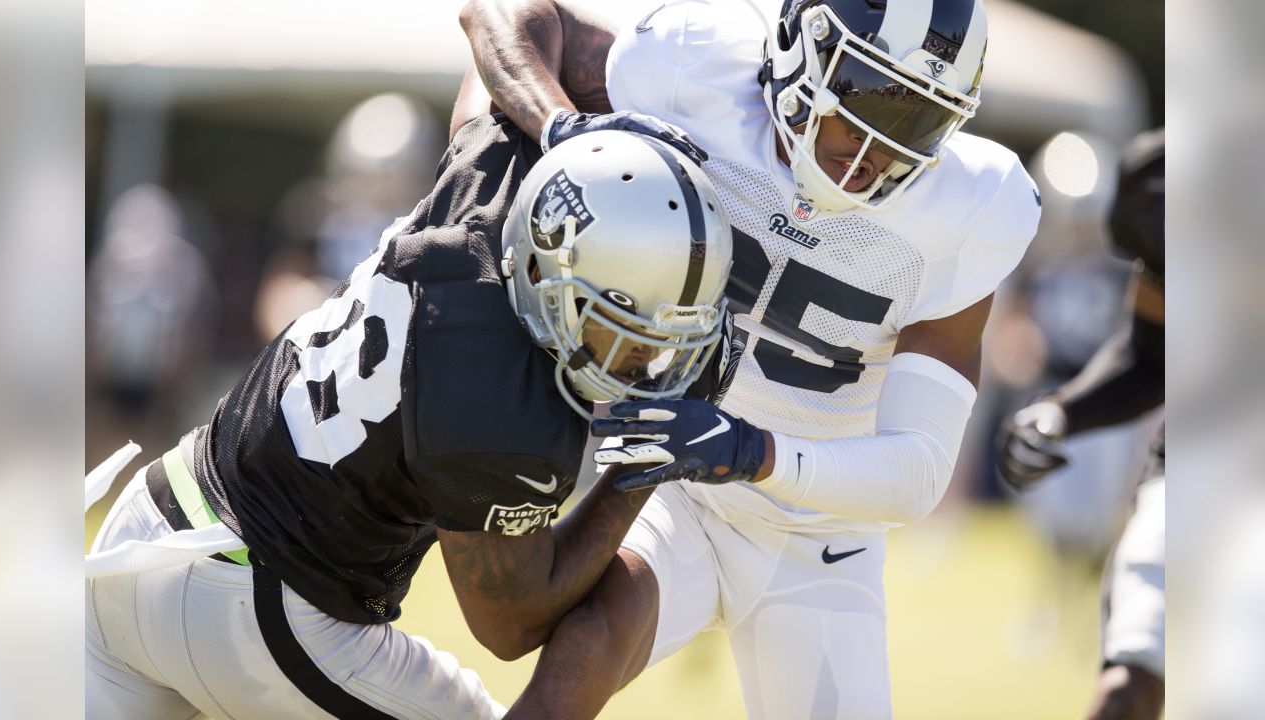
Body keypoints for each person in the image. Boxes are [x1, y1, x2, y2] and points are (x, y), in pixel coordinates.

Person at [457, 0, 1041, 717]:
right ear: (801, 50)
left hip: (819, 532)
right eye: (863, 94)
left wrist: (752, 451)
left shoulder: (969, 209)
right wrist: (559, 125)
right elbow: (506, 15)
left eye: (916, 118)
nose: (876, 144)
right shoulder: (694, 69)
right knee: (577, 665)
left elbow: (918, 468)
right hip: (680, 489)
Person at [84, 121, 735, 719]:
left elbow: (504, 17)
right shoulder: (503, 411)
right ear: (556, 276)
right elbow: (510, 624)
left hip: (143, 525)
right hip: (262, 606)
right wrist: (644, 466)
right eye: (628, 325)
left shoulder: (488, 184)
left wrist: (557, 119)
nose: (649, 359)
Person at [998, 128, 1165, 720]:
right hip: (1197, 464)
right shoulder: (1158, 179)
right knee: (1129, 677)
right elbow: (1152, 357)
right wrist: (1063, 410)